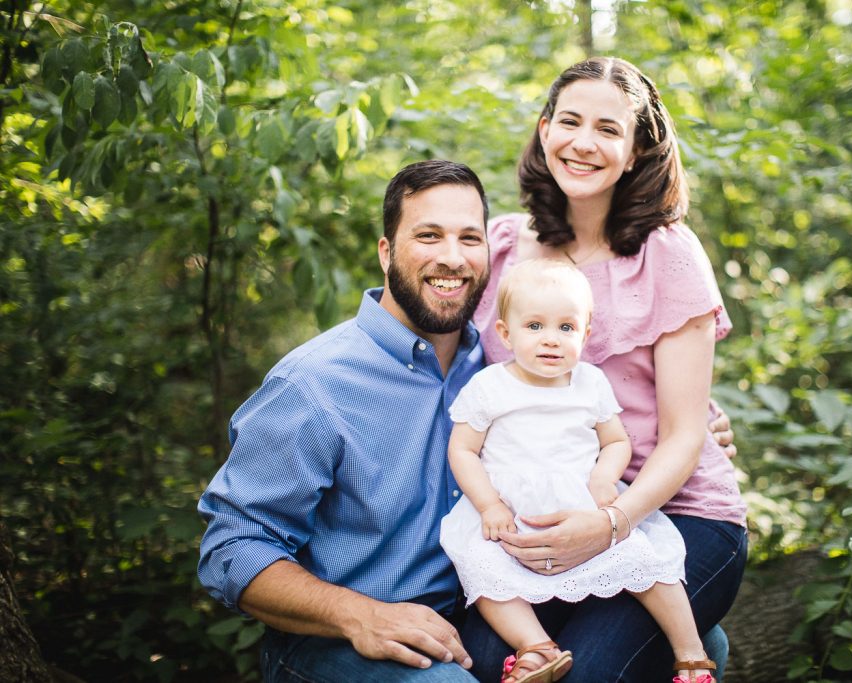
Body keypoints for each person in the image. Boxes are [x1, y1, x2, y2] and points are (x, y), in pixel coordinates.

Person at [196, 159, 737, 682]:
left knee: (695, 643)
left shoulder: (503, 365)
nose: (452, 257)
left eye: (469, 238)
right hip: (346, 636)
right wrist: (360, 615)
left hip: (487, 606)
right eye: (428, 236)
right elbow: (232, 549)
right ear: (386, 252)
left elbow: (600, 402)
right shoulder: (314, 384)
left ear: (489, 252)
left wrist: (698, 422)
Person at [462, 57, 748, 682]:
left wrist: (610, 525)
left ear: (638, 151)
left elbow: (682, 433)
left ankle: (685, 627)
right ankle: (696, 637)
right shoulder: (503, 247)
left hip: (677, 511)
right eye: (569, 121)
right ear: (543, 130)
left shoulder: (667, 253)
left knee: (591, 671)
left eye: (608, 129)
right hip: (540, 508)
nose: (583, 143)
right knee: (486, 663)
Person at [441, 258, 716, 683]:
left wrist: (604, 477)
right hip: (512, 515)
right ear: (505, 333)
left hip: (583, 505)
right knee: (481, 570)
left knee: (645, 561)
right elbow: (462, 450)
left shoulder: (589, 383)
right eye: (534, 326)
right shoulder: (490, 386)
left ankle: (692, 656)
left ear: (585, 334)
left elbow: (616, 441)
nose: (551, 340)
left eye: (566, 328)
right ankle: (536, 647)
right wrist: (488, 503)